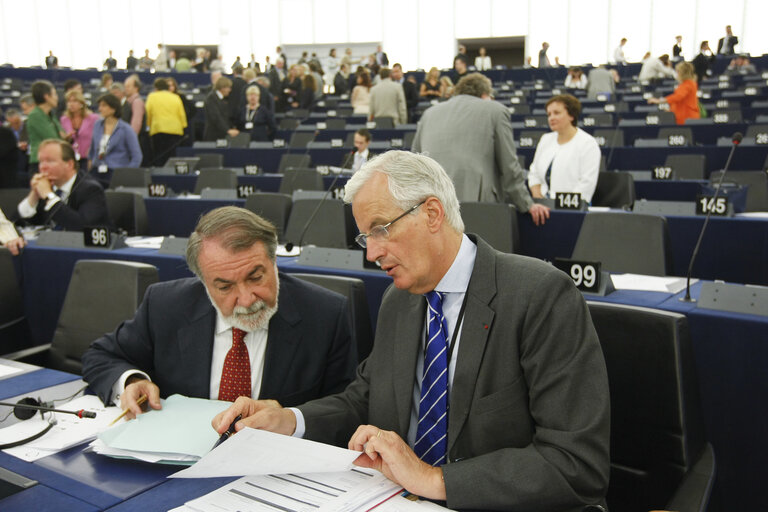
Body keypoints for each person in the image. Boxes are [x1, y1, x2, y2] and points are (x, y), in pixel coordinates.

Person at [212, 151, 610, 511]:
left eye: (380, 229)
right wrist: (288, 419)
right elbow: (364, 399)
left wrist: (433, 479)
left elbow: (575, 463)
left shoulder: (539, 295)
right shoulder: (398, 301)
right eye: (365, 237)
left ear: (432, 214)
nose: (371, 253)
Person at [81, 206, 357, 414]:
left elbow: (345, 407)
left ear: (274, 261)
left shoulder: (325, 315)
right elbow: (101, 356)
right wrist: (132, 381)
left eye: (255, 277)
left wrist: (291, 418)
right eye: (225, 287)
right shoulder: (166, 305)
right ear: (203, 282)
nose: (246, 300)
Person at [412, 73, 549, 225]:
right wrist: (526, 204)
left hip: (430, 206)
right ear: (485, 95)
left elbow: (414, 163)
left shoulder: (428, 114)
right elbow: (509, 166)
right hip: (478, 208)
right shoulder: (495, 110)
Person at [15, 139, 110, 230]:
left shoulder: (91, 190)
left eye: (50, 161)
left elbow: (82, 227)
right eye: (41, 161)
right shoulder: (45, 187)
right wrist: (34, 195)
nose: (43, 167)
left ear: (69, 164)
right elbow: (17, 224)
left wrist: (49, 196)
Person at [527, 95, 601, 203]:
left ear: (571, 115)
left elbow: (586, 184)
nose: (551, 118)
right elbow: (534, 173)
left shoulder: (588, 144)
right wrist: (537, 196)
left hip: (573, 208)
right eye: (549, 114)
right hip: (542, 205)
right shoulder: (545, 139)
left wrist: (558, 206)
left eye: (557, 113)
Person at [88, 94, 142, 172]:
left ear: (113, 109)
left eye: (104, 106)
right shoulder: (97, 125)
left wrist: (127, 173)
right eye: (99, 106)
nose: (100, 109)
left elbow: (137, 157)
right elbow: (92, 151)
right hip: (97, 170)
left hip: (116, 172)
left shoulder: (126, 129)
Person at [145, 78, 187, 166]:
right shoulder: (176, 97)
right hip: (176, 130)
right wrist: (183, 126)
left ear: (156, 88)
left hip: (159, 129)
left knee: (160, 156)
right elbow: (182, 114)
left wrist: (148, 125)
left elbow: (148, 113)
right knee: (172, 156)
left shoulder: (152, 96)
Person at [26, 80, 65, 174]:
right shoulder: (35, 115)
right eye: (55, 94)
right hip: (40, 162)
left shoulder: (51, 115)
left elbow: (63, 134)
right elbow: (52, 137)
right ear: (47, 96)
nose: (57, 98)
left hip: (54, 159)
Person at [59, 90, 99, 167]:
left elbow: (98, 138)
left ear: (81, 103)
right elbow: (62, 139)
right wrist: (67, 138)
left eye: (74, 101)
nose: (71, 104)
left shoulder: (93, 118)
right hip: (71, 158)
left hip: (88, 157)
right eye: (69, 101)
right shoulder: (64, 119)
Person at [204, 76, 239, 141]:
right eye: (228, 88)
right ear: (222, 88)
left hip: (221, 134)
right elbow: (216, 117)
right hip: (213, 136)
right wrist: (227, 130)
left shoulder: (221, 99)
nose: (230, 90)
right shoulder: (211, 99)